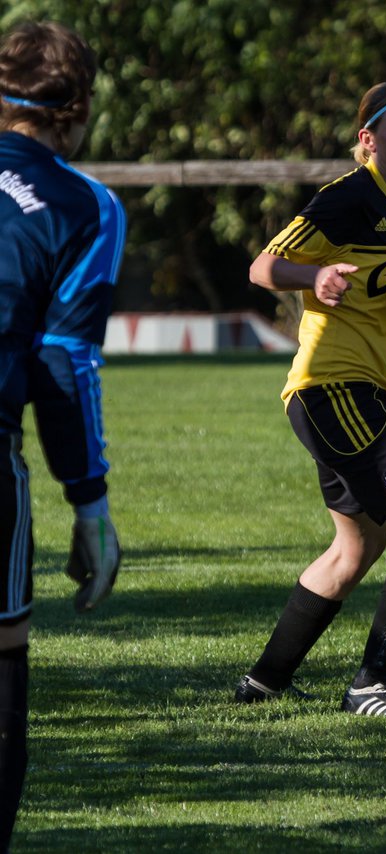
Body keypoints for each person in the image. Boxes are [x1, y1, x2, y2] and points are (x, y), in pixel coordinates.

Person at [236, 81, 386, 717]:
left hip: (353, 395)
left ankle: (262, 684)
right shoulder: (347, 197)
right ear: (367, 141)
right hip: (331, 388)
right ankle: (372, 684)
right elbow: (261, 268)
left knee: (355, 550)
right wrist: (315, 275)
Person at [0, 20, 125, 847]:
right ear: (76, 109)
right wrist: (89, 504)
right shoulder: (84, 206)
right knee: (4, 651)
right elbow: (61, 359)